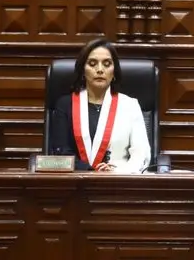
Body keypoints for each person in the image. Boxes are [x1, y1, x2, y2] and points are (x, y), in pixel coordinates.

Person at [49, 38, 151, 173]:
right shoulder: (65, 104)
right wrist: (92, 171)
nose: (100, 70)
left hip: (119, 182)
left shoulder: (130, 105)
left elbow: (140, 155)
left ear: (114, 71)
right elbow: (61, 154)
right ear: (83, 71)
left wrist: (118, 171)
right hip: (76, 183)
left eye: (107, 64)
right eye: (92, 64)